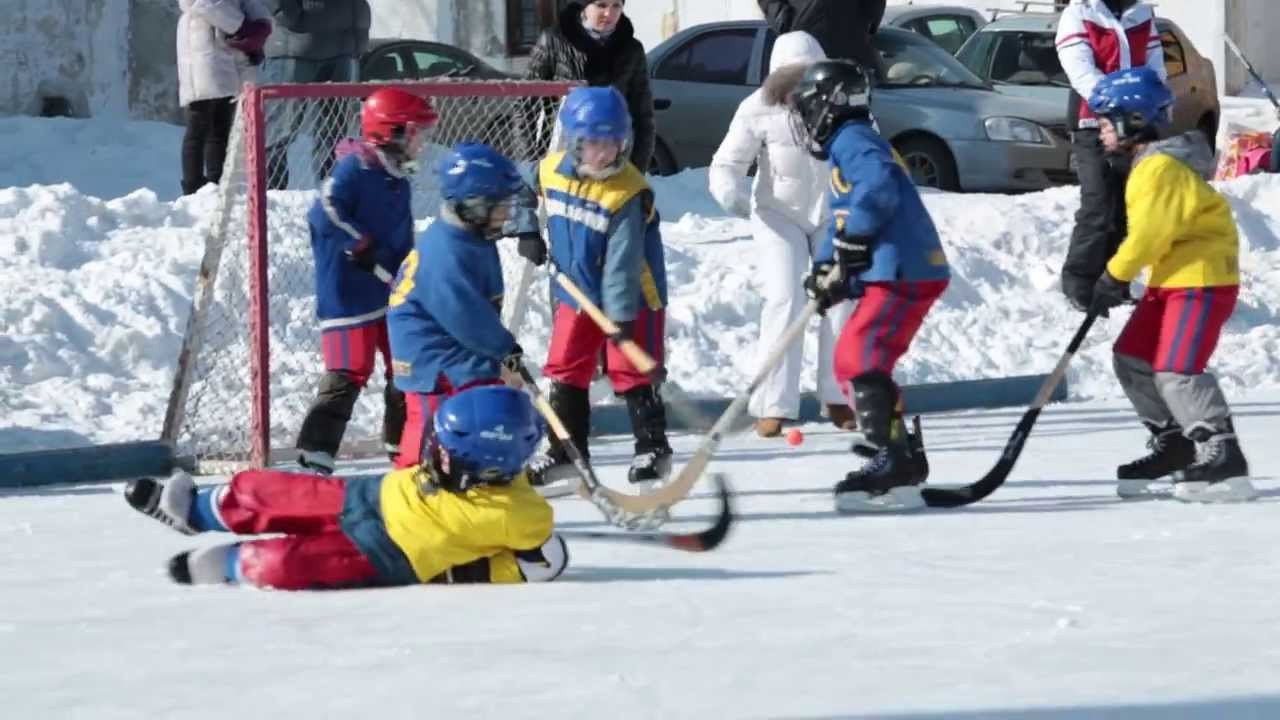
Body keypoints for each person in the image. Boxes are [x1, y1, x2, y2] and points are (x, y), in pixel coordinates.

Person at [125, 385, 567, 588]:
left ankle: (231, 565)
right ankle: (193, 511)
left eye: (446, 451)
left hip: (387, 554)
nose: (434, 454)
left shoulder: (523, 516)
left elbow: (540, 566)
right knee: (269, 490)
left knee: (286, 565)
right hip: (370, 495)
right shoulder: (451, 471)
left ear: (489, 463)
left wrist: (459, 573)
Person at [1084, 67, 1254, 504]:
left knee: (1177, 369)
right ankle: (1175, 442)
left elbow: (1149, 236)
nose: (1098, 131)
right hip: (1173, 279)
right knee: (1133, 357)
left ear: (1131, 121)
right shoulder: (1149, 166)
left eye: (1104, 122)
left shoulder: (1158, 168)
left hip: (1201, 279)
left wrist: (1112, 277)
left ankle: (1222, 452)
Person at [790, 60, 950, 511]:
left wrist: (851, 243)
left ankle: (893, 457)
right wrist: (827, 267)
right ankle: (897, 453)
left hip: (904, 271)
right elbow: (846, 215)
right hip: (896, 270)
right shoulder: (853, 142)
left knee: (859, 358)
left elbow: (876, 190)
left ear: (830, 105)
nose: (806, 119)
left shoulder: (854, 139)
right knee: (857, 360)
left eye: (809, 108)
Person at [517, 86, 671, 487]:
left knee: (630, 368)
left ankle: (652, 448)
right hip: (576, 290)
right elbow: (518, 187)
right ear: (573, 142)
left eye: (612, 143)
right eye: (592, 144)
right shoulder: (551, 170)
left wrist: (619, 321)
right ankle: (567, 452)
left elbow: (622, 265)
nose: (603, 154)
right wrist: (525, 227)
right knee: (566, 366)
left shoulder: (628, 192)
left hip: (633, 299)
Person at [709, 31, 855, 438]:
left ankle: (839, 396)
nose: (799, 86)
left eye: (808, 76)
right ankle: (773, 404)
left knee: (842, 298)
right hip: (777, 216)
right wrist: (730, 194)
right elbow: (726, 163)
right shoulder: (756, 108)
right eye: (791, 77)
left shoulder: (844, 103)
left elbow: (867, 150)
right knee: (786, 298)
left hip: (830, 213)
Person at [294, 88, 437, 475]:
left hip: (389, 291)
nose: (421, 142)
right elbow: (323, 212)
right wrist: (360, 245)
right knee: (348, 371)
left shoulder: (398, 178)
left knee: (403, 366)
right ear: (389, 131)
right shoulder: (354, 169)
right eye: (415, 133)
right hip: (349, 293)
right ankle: (314, 456)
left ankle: (404, 448)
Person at [387, 142, 527, 469]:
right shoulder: (446, 252)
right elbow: (465, 315)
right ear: (475, 205)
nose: (508, 212)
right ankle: (407, 488)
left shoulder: (473, 237)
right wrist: (503, 349)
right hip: (432, 360)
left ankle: (469, 476)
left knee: (480, 410)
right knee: (432, 426)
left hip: (454, 350)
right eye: (500, 205)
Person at [1055, 0, 1164, 311]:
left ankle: (1114, 282)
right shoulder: (1079, 13)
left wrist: (1151, 102)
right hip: (1094, 122)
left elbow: (1155, 67)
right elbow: (1081, 71)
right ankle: (1079, 281)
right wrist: (1117, 106)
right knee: (1099, 202)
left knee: (1129, 204)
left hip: (1138, 122)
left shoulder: (1142, 13)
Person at [525, 0, 656, 172]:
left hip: (612, 158)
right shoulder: (554, 40)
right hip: (562, 154)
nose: (609, 13)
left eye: (616, 6)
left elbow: (643, 114)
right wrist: (531, 158)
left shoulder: (631, 49)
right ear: (584, 7)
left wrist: (637, 168)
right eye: (601, 5)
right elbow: (525, 103)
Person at [260, 0, 372, 188]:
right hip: (295, 47)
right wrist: (291, 14)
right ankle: (270, 195)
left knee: (334, 130)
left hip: (343, 47)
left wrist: (358, 33)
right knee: (281, 127)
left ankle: (332, 193)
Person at [176, 0, 272, 195]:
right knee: (198, 124)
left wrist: (262, 24)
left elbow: (249, 4)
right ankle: (192, 186)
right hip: (202, 46)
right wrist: (244, 26)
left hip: (230, 55)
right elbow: (203, 3)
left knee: (220, 127)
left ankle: (217, 182)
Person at [757, 0, 886, 79]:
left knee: (852, 108)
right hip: (803, 50)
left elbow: (875, 5)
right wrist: (784, 20)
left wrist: (868, 26)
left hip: (849, 51)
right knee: (798, 113)